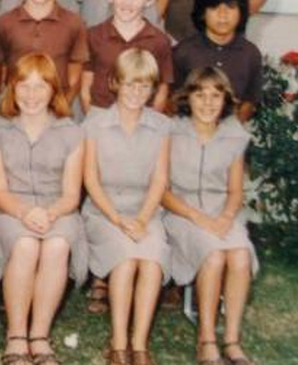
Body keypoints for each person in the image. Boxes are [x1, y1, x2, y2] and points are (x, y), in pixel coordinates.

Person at [0, 52, 87, 365]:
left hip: (59, 210)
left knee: (57, 245)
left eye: (40, 86)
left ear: (53, 90)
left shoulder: (72, 132)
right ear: (12, 88)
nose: (31, 95)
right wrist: (24, 213)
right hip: (10, 210)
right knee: (26, 244)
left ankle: (40, 336)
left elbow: (72, 195)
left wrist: (50, 213)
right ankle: (16, 336)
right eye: (24, 86)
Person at [162, 68, 259, 365]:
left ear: (225, 100)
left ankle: (232, 340)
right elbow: (162, 191)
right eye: (200, 95)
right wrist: (197, 217)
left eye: (215, 96)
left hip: (221, 212)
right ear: (187, 98)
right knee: (214, 256)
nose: (207, 103)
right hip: (181, 212)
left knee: (240, 255)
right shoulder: (171, 132)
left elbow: (235, 191)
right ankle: (206, 340)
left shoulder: (234, 135)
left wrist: (226, 218)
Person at [82, 48, 172, 365]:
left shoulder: (162, 126)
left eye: (144, 86)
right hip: (104, 212)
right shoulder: (94, 124)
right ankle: (119, 343)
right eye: (130, 84)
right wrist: (118, 219)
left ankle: (140, 344)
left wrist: (143, 220)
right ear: (115, 83)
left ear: (153, 89)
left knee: (152, 260)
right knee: (125, 258)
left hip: (146, 212)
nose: (136, 92)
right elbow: (90, 180)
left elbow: (159, 180)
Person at [0, 0, 89, 107]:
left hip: (57, 110)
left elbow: (75, 75)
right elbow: (0, 73)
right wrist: (9, 106)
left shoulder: (74, 23)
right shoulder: (4, 23)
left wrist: (61, 108)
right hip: (16, 110)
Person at [82, 0, 174, 113]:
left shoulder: (160, 41)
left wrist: (149, 122)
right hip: (100, 116)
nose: (127, 3)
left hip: (142, 118)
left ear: (150, 0)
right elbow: (85, 87)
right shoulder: (93, 35)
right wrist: (93, 119)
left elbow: (161, 92)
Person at [173, 0, 263, 122]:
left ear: (241, 12)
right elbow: (173, 101)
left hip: (231, 131)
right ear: (202, 13)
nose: (223, 14)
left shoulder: (250, 54)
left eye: (230, 7)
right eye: (214, 7)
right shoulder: (184, 52)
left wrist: (228, 130)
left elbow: (250, 101)